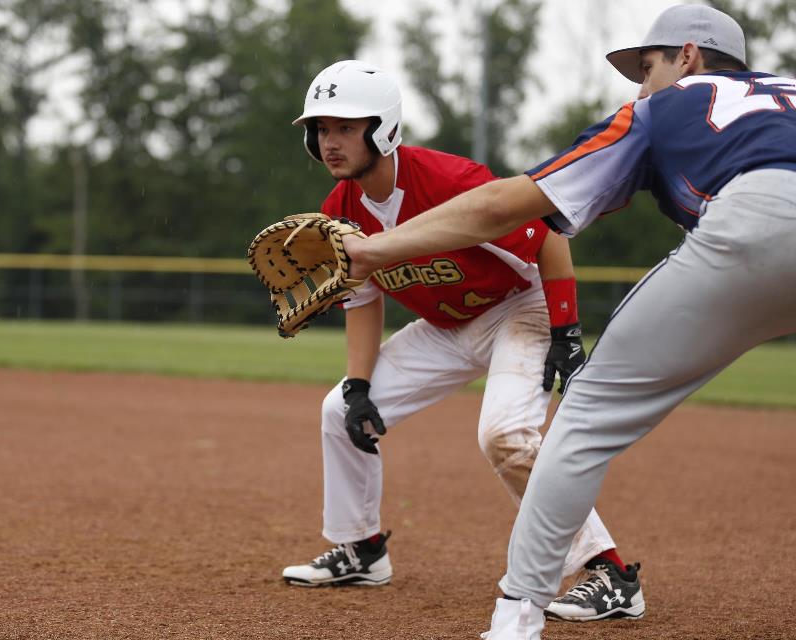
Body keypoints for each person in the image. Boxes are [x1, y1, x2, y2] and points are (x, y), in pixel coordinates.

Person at [339, 5, 796, 639]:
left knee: (580, 419)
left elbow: (509, 204)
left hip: (760, 222)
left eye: (647, 66)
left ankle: (517, 618)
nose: (639, 85)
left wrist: (374, 249)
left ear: (687, 56)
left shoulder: (666, 106)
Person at [279, 59, 645, 622]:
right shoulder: (340, 214)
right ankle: (362, 548)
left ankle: (611, 573)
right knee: (337, 412)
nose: (330, 141)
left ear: (384, 128)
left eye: (346, 127)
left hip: (519, 310)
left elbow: (546, 237)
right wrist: (357, 384)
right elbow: (363, 300)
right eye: (322, 129)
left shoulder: (449, 181)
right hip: (447, 330)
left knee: (505, 435)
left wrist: (568, 334)